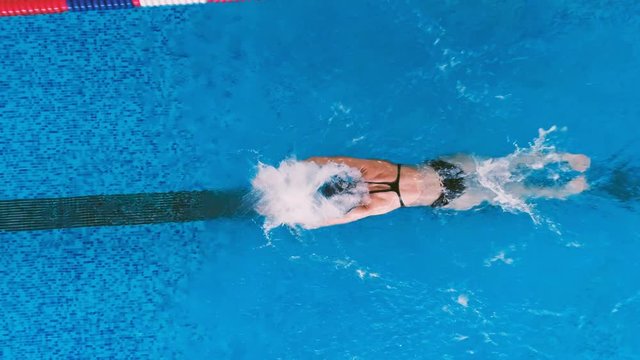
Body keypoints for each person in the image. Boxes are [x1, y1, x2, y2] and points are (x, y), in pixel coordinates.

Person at [306, 153, 590, 227]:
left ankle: (564, 190)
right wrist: (303, 167)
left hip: (448, 197)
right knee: (503, 166)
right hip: (446, 170)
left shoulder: (379, 204)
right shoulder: (373, 170)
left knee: (514, 192)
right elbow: (333, 161)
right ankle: (563, 158)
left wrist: (300, 217)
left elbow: (339, 218)